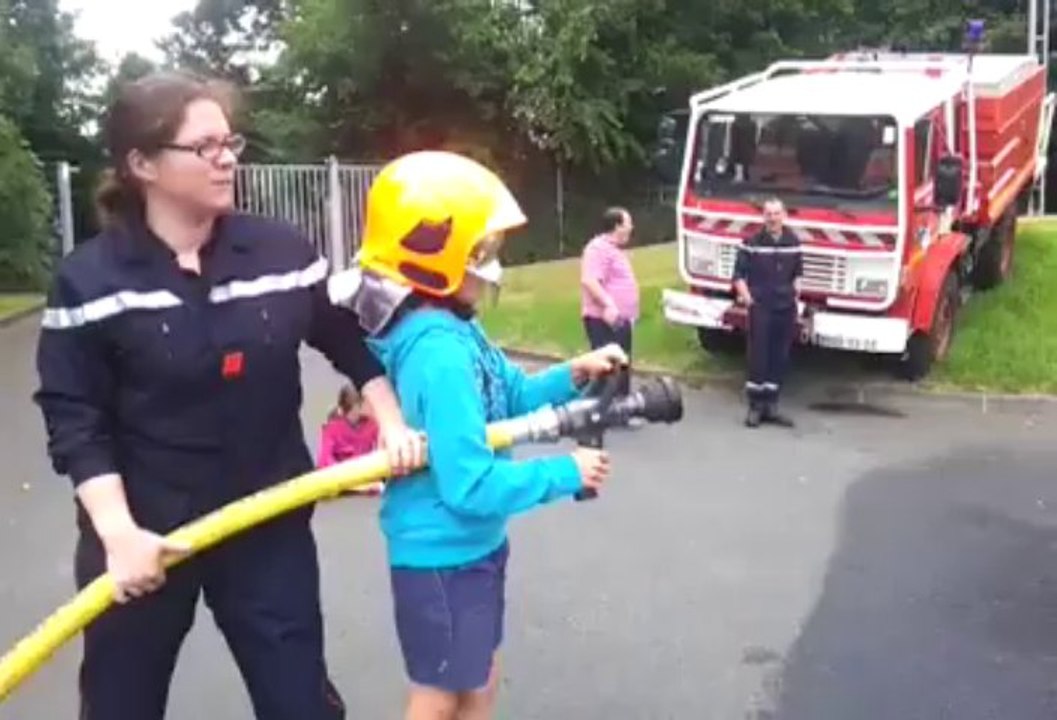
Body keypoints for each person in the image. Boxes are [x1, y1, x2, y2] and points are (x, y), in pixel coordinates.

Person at [32, 71, 423, 720]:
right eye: (204, 146)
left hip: (267, 515)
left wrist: (391, 422)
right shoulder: (90, 280)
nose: (226, 158)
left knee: (298, 703)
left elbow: (346, 342)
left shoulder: (280, 252)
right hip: (144, 529)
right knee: (119, 704)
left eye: (229, 142)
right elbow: (76, 420)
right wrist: (119, 534)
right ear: (142, 164)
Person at [343, 150, 624, 720]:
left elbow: (509, 396)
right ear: (433, 255)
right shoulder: (438, 353)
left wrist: (575, 372)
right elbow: (468, 484)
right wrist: (564, 473)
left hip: (472, 548)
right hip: (441, 554)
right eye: (482, 251)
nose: (492, 264)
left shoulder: (454, 330)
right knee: (439, 695)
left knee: (479, 682)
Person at [732, 197, 802, 428]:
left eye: (776, 213)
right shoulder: (751, 242)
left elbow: (798, 272)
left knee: (779, 355)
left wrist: (797, 290)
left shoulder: (793, 241)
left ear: (784, 216)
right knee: (758, 354)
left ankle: (772, 405)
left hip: (785, 306)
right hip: (761, 306)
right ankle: (755, 406)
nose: (772, 218)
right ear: (763, 217)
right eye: (768, 214)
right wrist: (748, 299)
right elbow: (738, 275)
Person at [580, 207, 640, 402]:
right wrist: (608, 305)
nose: (631, 228)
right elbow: (589, 280)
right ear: (617, 226)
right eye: (628, 223)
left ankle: (620, 407)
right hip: (602, 319)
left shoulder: (613, 250)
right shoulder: (597, 249)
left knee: (621, 363)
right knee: (608, 364)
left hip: (619, 320)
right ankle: (601, 408)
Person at [316, 383, 384, 495]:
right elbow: (324, 460)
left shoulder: (372, 425)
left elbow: (380, 450)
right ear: (356, 407)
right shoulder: (332, 429)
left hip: (364, 474)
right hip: (341, 476)